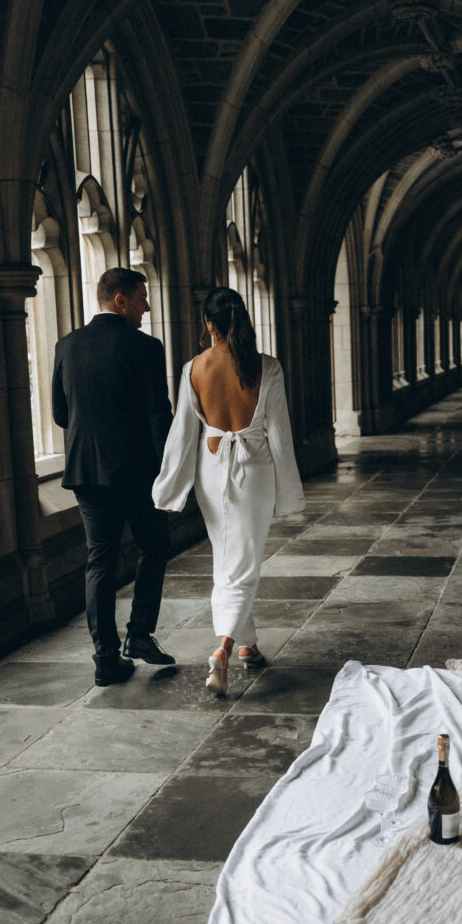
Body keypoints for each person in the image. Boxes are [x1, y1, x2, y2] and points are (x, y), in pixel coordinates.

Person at [152, 286, 305, 695]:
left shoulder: (193, 368)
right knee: (243, 564)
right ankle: (223, 649)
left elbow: (182, 433)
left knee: (229, 557)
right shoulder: (267, 367)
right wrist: (289, 492)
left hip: (211, 469)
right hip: (253, 470)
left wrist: (169, 491)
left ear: (209, 323)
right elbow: (281, 434)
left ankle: (248, 647)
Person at [52, 267, 176, 686]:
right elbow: (159, 415)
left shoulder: (66, 345)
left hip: (86, 472)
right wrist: (169, 471)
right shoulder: (146, 347)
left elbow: (58, 413)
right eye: (141, 297)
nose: (146, 305)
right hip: (137, 472)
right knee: (155, 546)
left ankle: (106, 658)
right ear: (120, 301)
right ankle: (139, 635)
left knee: (99, 562)